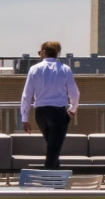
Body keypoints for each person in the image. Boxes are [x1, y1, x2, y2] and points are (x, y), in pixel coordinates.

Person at [19, 40, 79, 170]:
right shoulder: (65, 69)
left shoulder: (34, 69)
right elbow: (74, 93)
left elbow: (26, 95)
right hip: (58, 113)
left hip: (41, 113)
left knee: (53, 148)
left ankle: (55, 179)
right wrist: (72, 109)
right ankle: (48, 177)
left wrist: (25, 118)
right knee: (53, 149)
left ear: (43, 52)